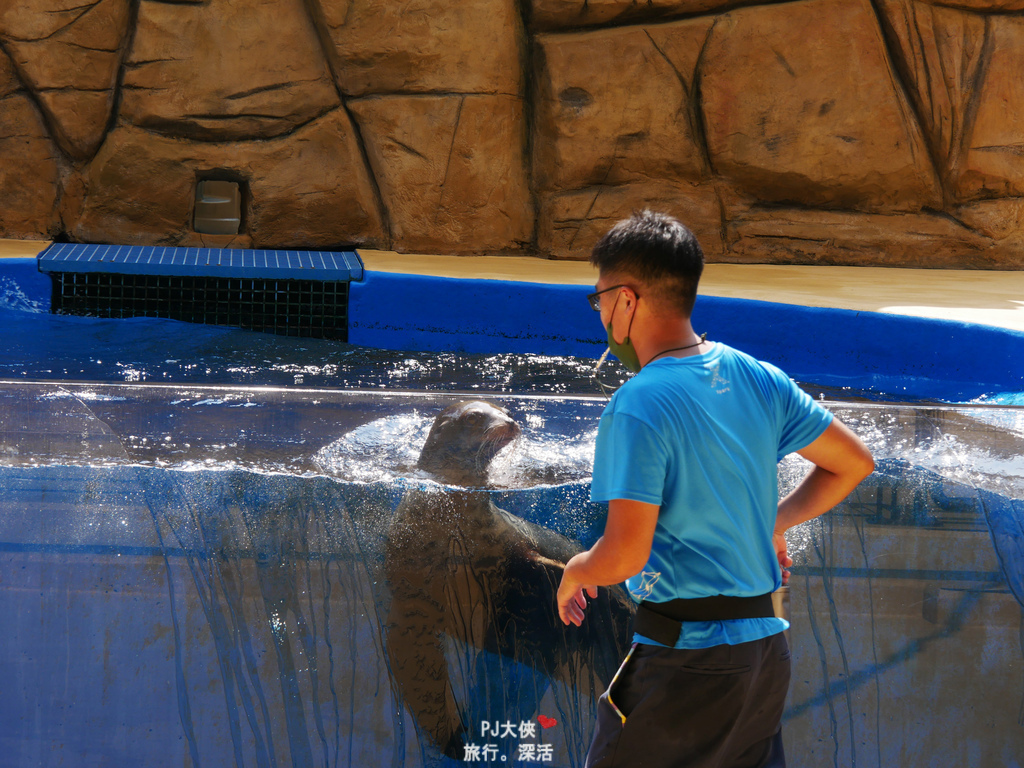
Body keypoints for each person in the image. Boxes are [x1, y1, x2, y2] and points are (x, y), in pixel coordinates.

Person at [556, 210, 874, 768]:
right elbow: (852, 463)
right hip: (763, 655)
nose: (601, 314)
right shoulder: (759, 375)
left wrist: (577, 569)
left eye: (600, 299)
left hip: (685, 660)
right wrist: (771, 523)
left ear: (627, 300)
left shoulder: (638, 402)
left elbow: (625, 552)